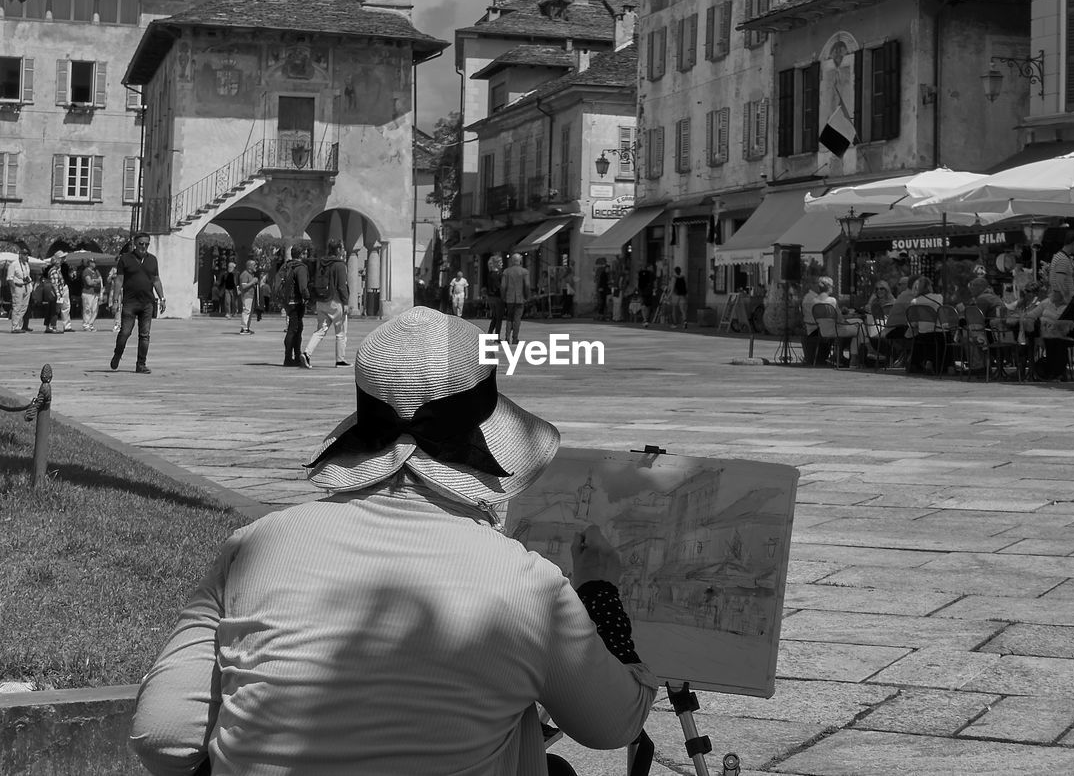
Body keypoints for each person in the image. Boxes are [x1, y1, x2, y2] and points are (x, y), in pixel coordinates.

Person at [129, 307, 657, 776]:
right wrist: (599, 594)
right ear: (484, 457)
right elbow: (614, 726)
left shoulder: (257, 546)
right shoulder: (526, 583)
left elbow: (165, 738)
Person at [111, 233, 165, 374]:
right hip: (130, 302)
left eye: (146, 244)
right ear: (135, 244)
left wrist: (162, 298)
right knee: (125, 332)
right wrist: (115, 301)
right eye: (141, 243)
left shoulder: (152, 260)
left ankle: (141, 364)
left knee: (145, 335)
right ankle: (118, 354)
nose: (144, 246)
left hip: (147, 303)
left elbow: (156, 280)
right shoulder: (125, 259)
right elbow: (119, 280)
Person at [303, 240, 351, 369]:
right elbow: (342, 286)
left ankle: (307, 353)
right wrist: (345, 302)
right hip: (335, 302)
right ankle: (340, 360)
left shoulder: (322, 263)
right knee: (340, 332)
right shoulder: (339, 265)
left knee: (320, 330)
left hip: (321, 300)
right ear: (339, 250)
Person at [278, 246, 310, 367]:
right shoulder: (300, 268)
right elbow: (303, 286)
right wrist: (307, 297)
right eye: (305, 252)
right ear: (301, 254)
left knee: (297, 328)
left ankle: (296, 355)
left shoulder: (286, 265)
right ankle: (288, 358)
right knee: (294, 329)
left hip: (287, 301)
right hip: (296, 302)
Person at [501, 252, 531, 343]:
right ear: (520, 261)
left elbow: (503, 286)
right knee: (517, 318)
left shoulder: (506, 271)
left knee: (509, 317)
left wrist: (503, 296)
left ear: (512, 261)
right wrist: (527, 296)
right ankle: (515, 338)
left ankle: (507, 337)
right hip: (520, 298)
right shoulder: (524, 272)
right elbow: (527, 284)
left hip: (509, 298)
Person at [44, 252, 73, 333]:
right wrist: (58, 295)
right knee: (54, 310)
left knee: (52, 309)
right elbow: (55, 284)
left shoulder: (57, 270)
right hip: (56, 293)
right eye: (59, 260)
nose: (60, 262)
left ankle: (49, 327)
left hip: (56, 293)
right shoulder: (54, 271)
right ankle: (53, 327)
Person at [8, 248, 33, 334]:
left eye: (27, 254)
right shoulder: (14, 265)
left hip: (26, 286)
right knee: (17, 307)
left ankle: (19, 325)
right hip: (17, 287)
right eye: (24, 254)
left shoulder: (26, 265)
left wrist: (30, 284)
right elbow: (9, 278)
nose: (26, 256)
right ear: (20, 255)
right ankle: (15, 327)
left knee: (24, 307)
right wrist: (14, 289)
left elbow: (28, 275)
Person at [238, 259, 261, 335]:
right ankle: (244, 328)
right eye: (254, 265)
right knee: (246, 311)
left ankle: (247, 327)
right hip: (247, 295)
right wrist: (253, 282)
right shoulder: (245, 274)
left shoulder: (251, 274)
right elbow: (243, 286)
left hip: (251, 295)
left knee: (249, 312)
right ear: (249, 266)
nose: (256, 267)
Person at [80, 262, 103, 331]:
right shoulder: (86, 271)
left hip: (95, 292)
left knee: (95, 309)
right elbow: (89, 282)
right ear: (89, 263)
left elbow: (100, 279)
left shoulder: (96, 271)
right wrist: (96, 281)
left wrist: (94, 280)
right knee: (87, 309)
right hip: (88, 293)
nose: (95, 263)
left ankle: (91, 324)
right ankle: (86, 325)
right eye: (93, 262)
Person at [485, 255, 504, 335]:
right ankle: (497, 336)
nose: (502, 264)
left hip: (490, 298)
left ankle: (489, 333)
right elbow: (499, 287)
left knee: (495, 317)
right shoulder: (498, 274)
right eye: (500, 262)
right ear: (496, 264)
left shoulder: (489, 274)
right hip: (497, 298)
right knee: (499, 317)